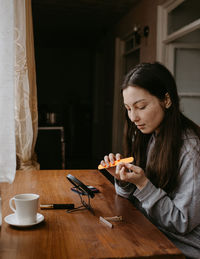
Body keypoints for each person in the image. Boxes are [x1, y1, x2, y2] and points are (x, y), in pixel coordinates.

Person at [100, 62, 200, 259]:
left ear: (167, 100)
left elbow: (181, 222)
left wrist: (142, 184)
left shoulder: (191, 151)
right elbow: (133, 199)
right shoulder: (148, 135)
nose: (133, 117)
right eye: (128, 108)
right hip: (152, 231)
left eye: (141, 107)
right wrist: (123, 180)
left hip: (182, 249)